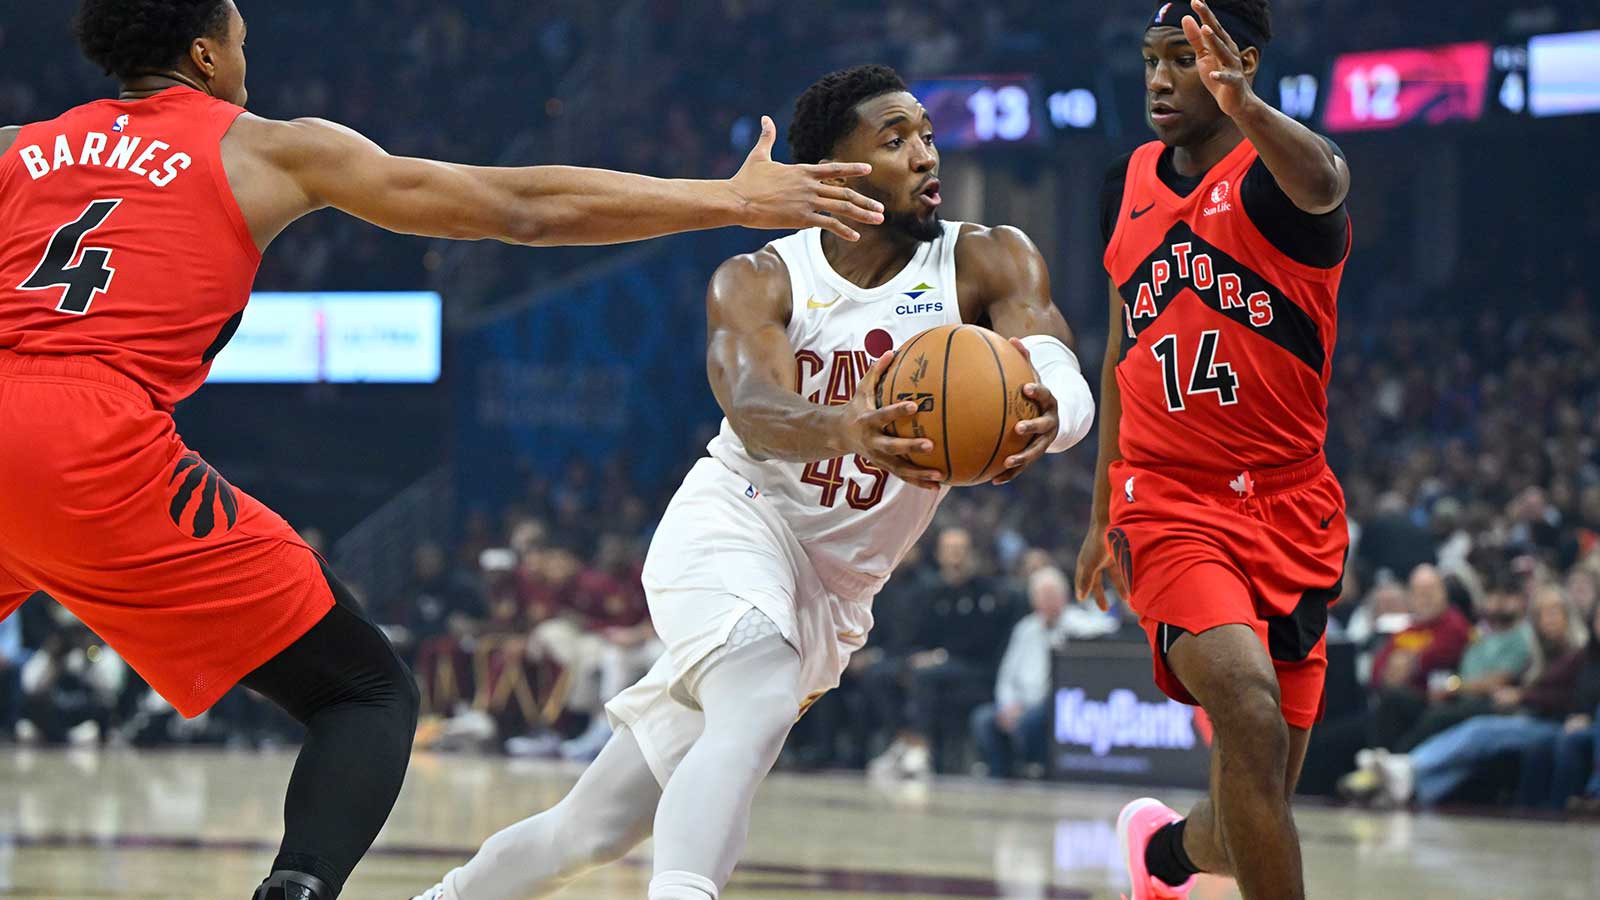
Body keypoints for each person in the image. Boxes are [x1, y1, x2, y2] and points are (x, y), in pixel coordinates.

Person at [0, 2, 890, 898]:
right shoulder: (267, 147)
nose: (244, 56)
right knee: (365, 696)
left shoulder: (13, 146)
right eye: (239, 38)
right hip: (93, 434)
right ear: (203, 52)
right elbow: (516, 208)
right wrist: (730, 200)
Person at [412, 63, 1096, 900]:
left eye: (924, 134)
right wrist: (850, 426)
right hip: (739, 523)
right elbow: (754, 407)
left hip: (837, 592)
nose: (926, 154)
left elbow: (1058, 364)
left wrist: (1050, 415)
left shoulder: (987, 258)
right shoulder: (762, 278)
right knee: (760, 697)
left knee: (593, 828)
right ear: (838, 170)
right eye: (896, 139)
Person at [1072, 2, 1353, 899]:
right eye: (1152, 60)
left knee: (1252, 805)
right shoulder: (1127, 181)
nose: (1160, 78)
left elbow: (1329, 181)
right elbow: (1121, 353)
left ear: (1243, 62)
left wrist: (1248, 111)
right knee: (1249, 717)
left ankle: (1160, 858)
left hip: (1291, 506)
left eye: (1183, 62)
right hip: (1168, 502)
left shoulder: (1277, 182)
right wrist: (1098, 512)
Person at [970, 565, 1075, 779]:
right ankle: (1000, 776)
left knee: (1033, 720)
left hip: (1051, 705)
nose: (1046, 602)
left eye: (1051, 596)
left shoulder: (1079, 626)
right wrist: (1007, 705)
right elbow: (1007, 675)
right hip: (1018, 703)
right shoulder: (1025, 629)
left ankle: (1035, 770)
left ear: (1064, 597)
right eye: (1041, 596)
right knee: (983, 719)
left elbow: (1105, 627)